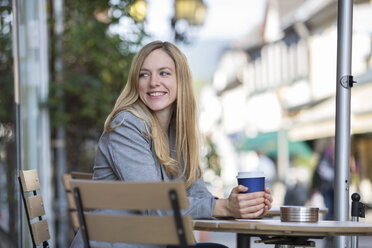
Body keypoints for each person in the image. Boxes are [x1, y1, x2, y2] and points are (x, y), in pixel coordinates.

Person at [70, 41, 272, 248]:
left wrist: (237, 203)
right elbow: (155, 204)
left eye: (164, 73)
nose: (153, 82)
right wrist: (223, 208)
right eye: (144, 74)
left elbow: (197, 193)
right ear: (135, 82)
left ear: (180, 80)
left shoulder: (178, 132)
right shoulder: (126, 126)